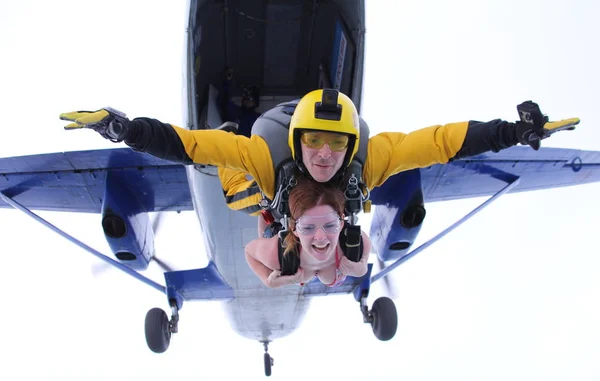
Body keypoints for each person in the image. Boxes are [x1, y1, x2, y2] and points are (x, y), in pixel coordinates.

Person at [59, 90, 580, 221]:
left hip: (287, 193)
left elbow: (440, 141)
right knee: (228, 178)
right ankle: (236, 187)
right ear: (298, 141)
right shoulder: (266, 159)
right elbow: (193, 143)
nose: (327, 154)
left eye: (337, 144)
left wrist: (511, 131)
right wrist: (128, 131)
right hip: (260, 156)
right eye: (315, 141)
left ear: (352, 146)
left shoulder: (370, 162)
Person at [244, 178, 370, 289]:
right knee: (267, 226)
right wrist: (267, 280)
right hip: (278, 238)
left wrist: (363, 266)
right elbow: (250, 252)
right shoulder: (275, 255)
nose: (320, 238)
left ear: (342, 223)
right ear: (293, 228)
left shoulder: (354, 243)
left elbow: (249, 251)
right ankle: (267, 210)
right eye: (308, 228)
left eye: (330, 225)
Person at [217, 67, 261, 138]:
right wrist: (227, 82)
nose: (246, 101)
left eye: (250, 98)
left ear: (255, 102)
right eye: (245, 97)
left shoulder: (259, 118)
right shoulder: (236, 111)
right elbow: (222, 102)